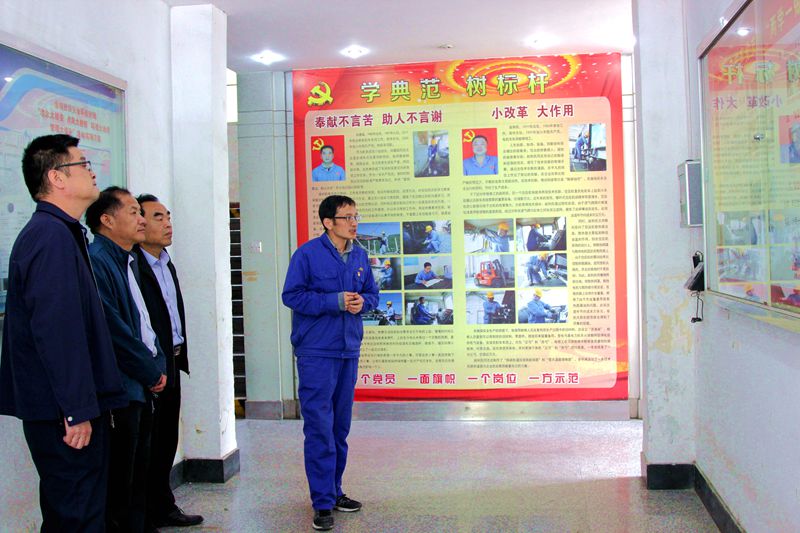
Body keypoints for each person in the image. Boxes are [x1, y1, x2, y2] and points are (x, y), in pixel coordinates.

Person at [0, 135, 128, 531]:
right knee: (77, 515)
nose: (92, 172)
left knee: (71, 512)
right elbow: (57, 333)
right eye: (83, 164)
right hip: (63, 414)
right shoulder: (50, 237)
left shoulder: (61, 232)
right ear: (56, 177)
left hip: (65, 409)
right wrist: (76, 411)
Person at [281, 195, 378, 531]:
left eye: (356, 216)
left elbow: (373, 294)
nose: (354, 223)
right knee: (320, 428)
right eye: (347, 217)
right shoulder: (307, 255)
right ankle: (322, 502)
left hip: (348, 350)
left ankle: (335, 491)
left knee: (339, 428)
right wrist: (334, 301)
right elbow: (292, 296)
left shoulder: (360, 255)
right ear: (327, 222)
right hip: (316, 353)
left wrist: (363, 302)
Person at [86, 187, 167, 533]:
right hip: (122, 385)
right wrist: (150, 370)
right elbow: (113, 329)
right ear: (107, 220)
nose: (141, 219)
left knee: (139, 470)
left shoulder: (126, 260)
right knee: (121, 476)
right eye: (133, 212)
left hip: (140, 382)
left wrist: (157, 365)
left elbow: (144, 323)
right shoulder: (98, 261)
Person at [134, 195, 203, 528]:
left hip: (172, 362)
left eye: (168, 216)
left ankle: (163, 506)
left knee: (165, 442)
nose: (167, 223)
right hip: (149, 368)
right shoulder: (133, 266)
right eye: (158, 217)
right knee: (146, 445)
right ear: (140, 222)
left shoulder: (165, 261)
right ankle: (144, 514)